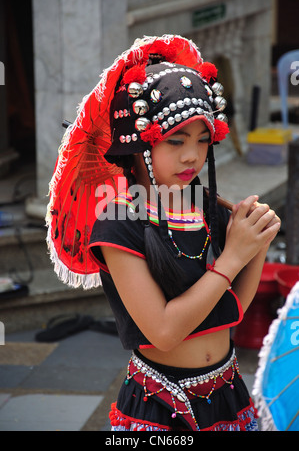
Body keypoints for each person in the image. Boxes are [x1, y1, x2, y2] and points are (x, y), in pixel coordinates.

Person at [46, 35, 281, 431]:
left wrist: (255, 243)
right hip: (159, 406)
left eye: (203, 140)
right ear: (138, 146)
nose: (193, 155)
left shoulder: (205, 207)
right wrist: (235, 256)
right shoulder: (117, 223)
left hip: (228, 393)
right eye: (176, 141)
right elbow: (165, 331)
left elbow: (232, 311)